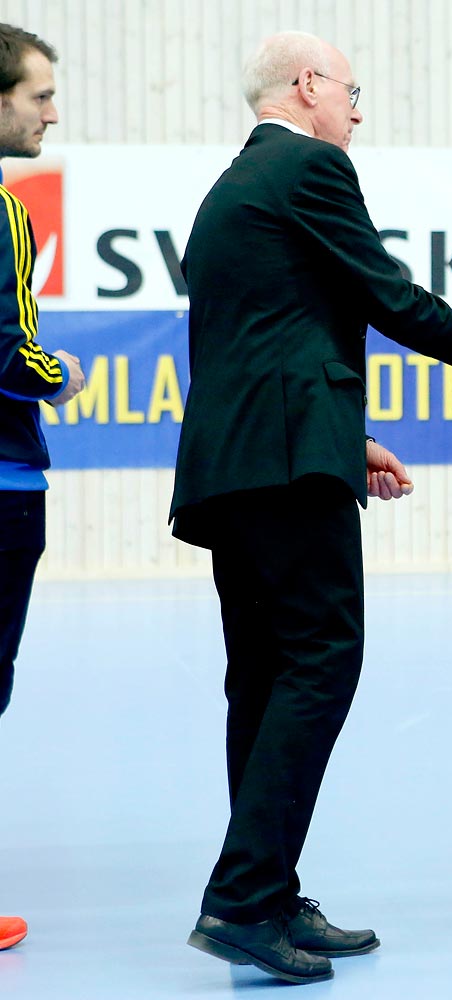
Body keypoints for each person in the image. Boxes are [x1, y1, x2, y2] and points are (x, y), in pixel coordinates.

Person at [169, 30, 452, 984]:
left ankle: (270, 892)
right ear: (306, 86)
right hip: (287, 466)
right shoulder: (309, 167)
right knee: (320, 661)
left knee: (261, 678)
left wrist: (345, 437)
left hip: (242, 465)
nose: (358, 110)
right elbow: (385, 294)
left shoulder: (233, 187)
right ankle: (244, 898)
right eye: (352, 90)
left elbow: (259, 340)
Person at [0, 22, 85, 952]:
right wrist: (56, 372)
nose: (51, 114)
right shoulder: (3, 210)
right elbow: (6, 351)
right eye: (39, 95)